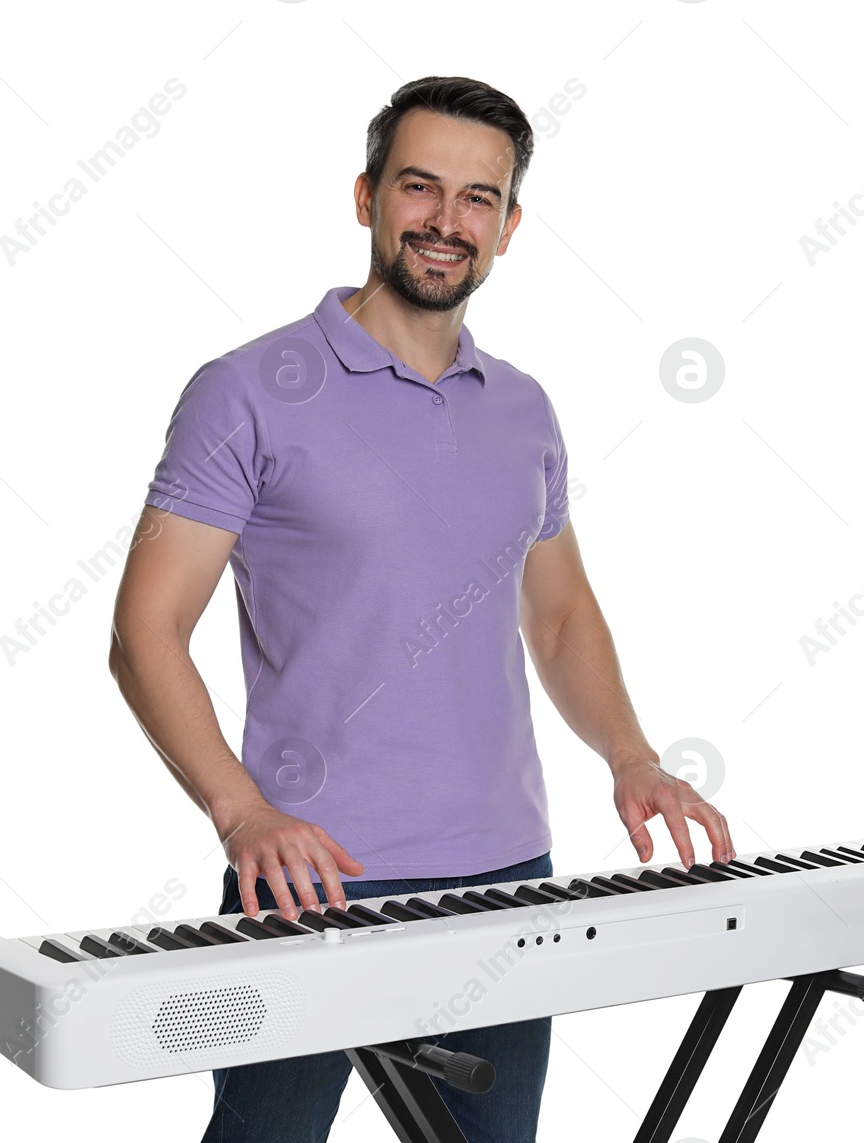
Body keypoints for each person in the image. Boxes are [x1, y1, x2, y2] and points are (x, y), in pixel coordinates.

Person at [108, 74, 734, 1143]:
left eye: (478, 199)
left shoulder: (524, 408)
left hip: (505, 877)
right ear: (365, 198)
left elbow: (560, 612)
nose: (447, 222)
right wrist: (241, 810)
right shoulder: (248, 389)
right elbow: (144, 631)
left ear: (508, 226)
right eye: (420, 187)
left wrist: (630, 756)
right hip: (307, 882)